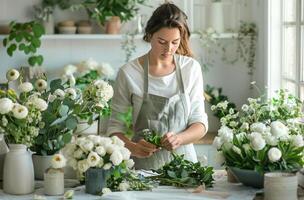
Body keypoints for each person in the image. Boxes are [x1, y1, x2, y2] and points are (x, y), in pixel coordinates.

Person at [107, 2, 208, 169]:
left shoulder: (191, 69)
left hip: (185, 170)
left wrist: (179, 139)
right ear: (150, 35)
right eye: (162, 41)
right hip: (143, 171)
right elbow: (115, 128)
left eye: (175, 42)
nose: (169, 49)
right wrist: (133, 147)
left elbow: (200, 123)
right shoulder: (129, 73)